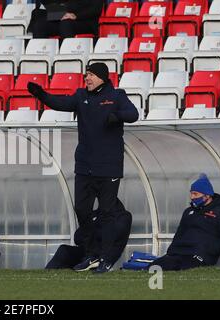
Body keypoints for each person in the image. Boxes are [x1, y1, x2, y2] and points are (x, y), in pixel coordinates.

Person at [28, 62, 139, 273]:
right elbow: (60, 103)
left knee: (107, 214)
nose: (86, 78)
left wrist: (118, 116)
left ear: (102, 77)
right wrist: (41, 94)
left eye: (90, 75)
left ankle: (105, 258)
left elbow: (133, 114)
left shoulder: (116, 96)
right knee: (82, 209)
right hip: (85, 166)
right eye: (86, 74)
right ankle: (91, 254)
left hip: (109, 167)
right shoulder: (81, 96)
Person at [149, 174, 220, 271]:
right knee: (153, 267)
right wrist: (171, 251)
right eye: (191, 193)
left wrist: (209, 250)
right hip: (179, 252)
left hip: (200, 255)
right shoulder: (188, 212)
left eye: (195, 194)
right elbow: (179, 233)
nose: (192, 197)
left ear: (207, 195)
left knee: (174, 268)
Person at [45, 198, 132, 273]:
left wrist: (93, 230)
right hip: (87, 253)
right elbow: (77, 238)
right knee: (64, 250)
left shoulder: (123, 216)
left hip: (103, 256)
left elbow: (113, 237)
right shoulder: (96, 215)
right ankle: (47, 274)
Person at [28, 0, 104, 38]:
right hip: (64, 15)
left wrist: (76, 16)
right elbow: (54, 3)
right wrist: (60, 13)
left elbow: (96, 9)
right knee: (40, 24)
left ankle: (67, 54)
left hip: (84, 20)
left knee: (66, 24)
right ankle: (41, 55)